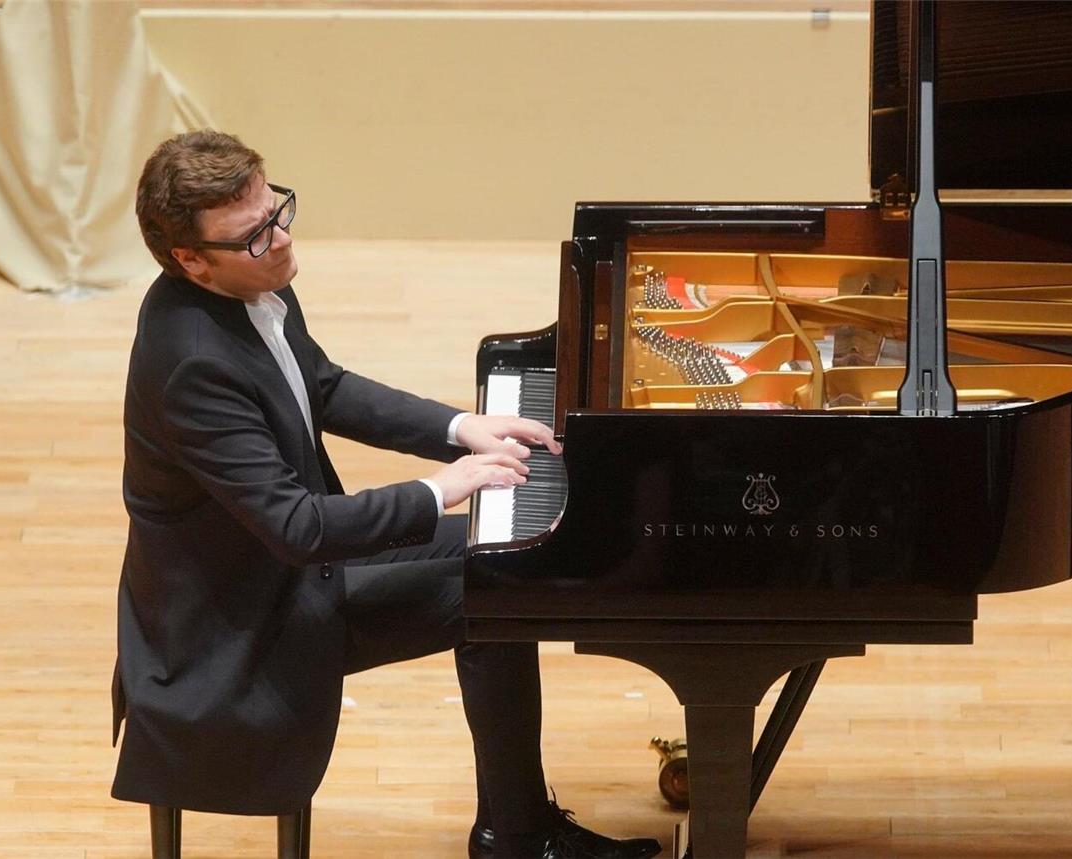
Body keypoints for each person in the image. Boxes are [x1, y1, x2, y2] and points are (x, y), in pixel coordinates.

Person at [110, 129, 661, 859]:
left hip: (276, 569)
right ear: (190, 260)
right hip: (244, 620)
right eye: (252, 236)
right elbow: (299, 528)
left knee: (501, 556)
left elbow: (323, 384)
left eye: (277, 209)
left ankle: (515, 828)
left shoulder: (249, 277)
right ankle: (519, 836)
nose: (278, 240)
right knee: (495, 593)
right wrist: (443, 489)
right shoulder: (193, 366)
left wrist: (461, 428)